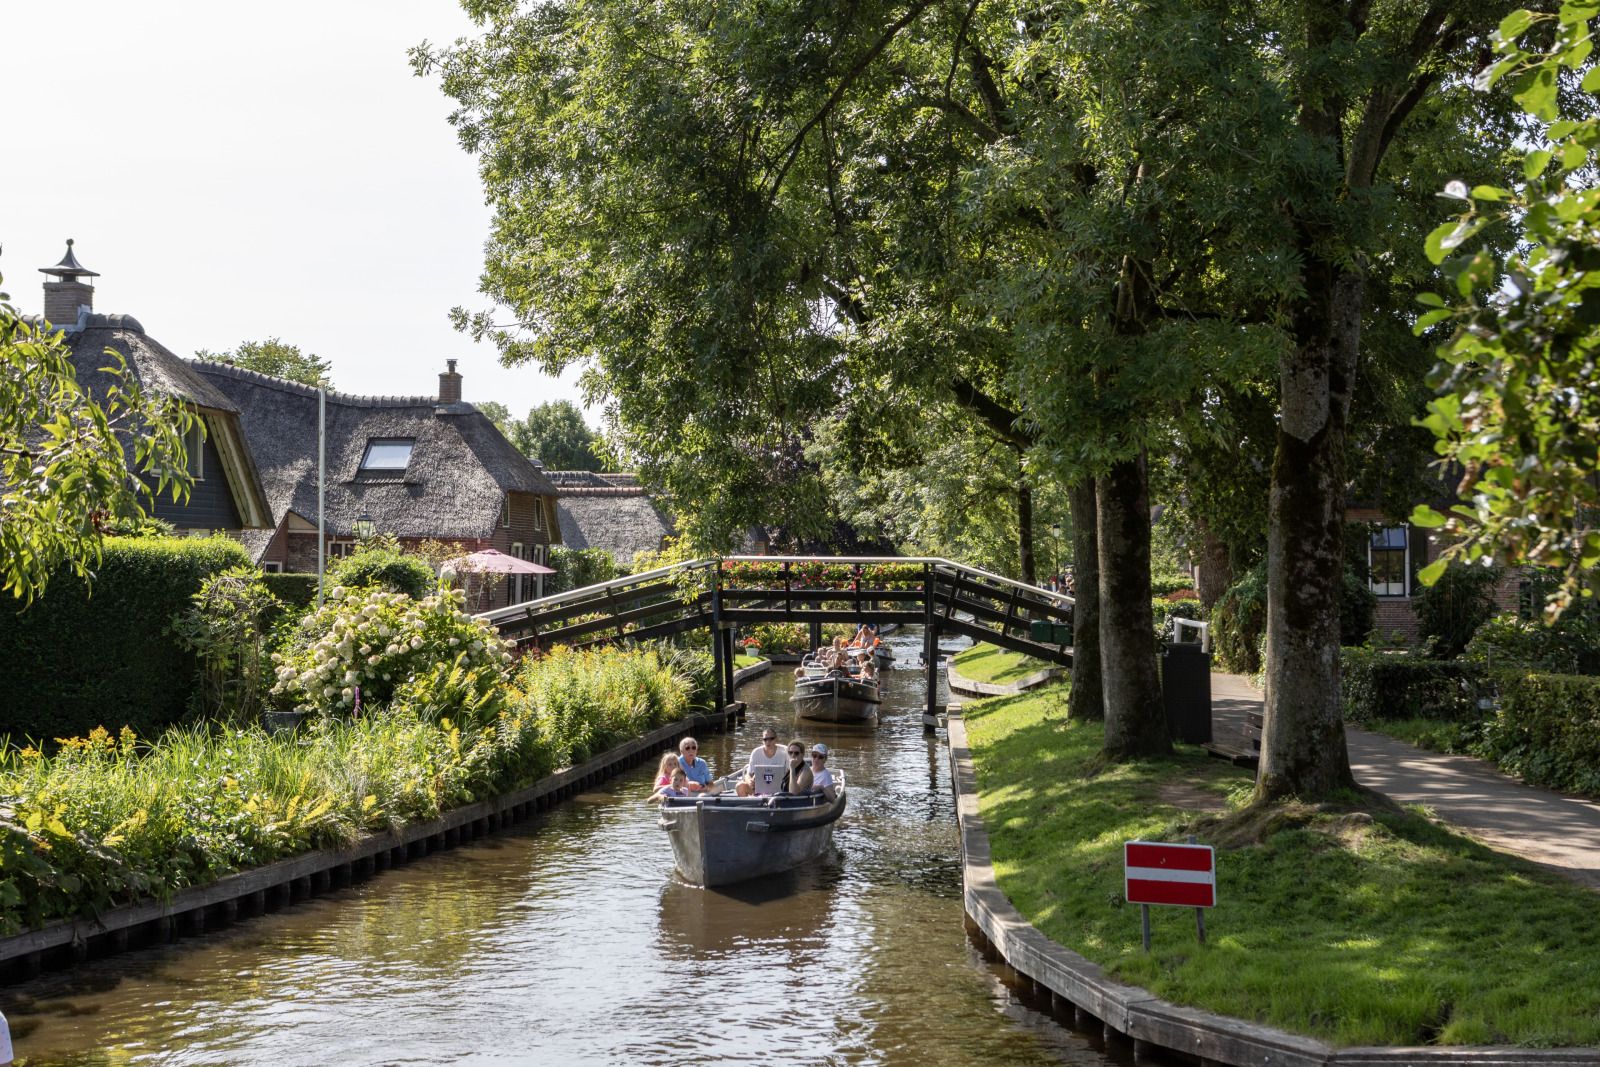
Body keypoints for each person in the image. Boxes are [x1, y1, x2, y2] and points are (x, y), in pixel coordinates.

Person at [736, 729, 788, 796]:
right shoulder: (756, 752)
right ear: (762, 741)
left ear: (776, 739)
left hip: (780, 789)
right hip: (759, 789)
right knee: (740, 786)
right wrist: (750, 781)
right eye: (765, 739)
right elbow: (748, 774)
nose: (768, 742)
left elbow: (790, 772)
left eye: (771, 739)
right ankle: (748, 805)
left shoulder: (785, 751)